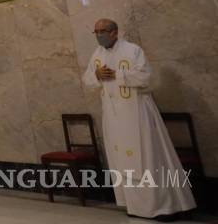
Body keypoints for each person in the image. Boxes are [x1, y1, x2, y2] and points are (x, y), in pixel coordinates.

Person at [83, 19, 195, 220]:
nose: (99, 35)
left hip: (137, 112)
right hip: (113, 116)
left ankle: (164, 206)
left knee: (148, 156)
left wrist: (119, 74)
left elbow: (146, 77)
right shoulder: (97, 55)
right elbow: (87, 80)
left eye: (103, 31)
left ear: (114, 32)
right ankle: (135, 206)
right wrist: (97, 75)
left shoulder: (132, 50)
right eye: (96, 32)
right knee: (122, 160)